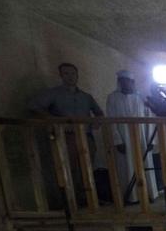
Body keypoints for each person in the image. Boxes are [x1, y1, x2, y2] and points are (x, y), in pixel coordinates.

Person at [29, 62, 103, 205]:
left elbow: (98, 112)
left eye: (73, 73)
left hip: (86, 136)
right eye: (66, 74)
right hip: (66, 137)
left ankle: (87, 199)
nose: (70, 77)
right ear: (61, 76)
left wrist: (96, 123)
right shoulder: (54, 94)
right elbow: (33, 106)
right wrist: (53, 120)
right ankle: (70, 201)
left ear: (77, 75)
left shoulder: (86, 97)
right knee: (68, 168)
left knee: (87, 168)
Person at [105, 70, 158, 204]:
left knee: (145, 164)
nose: (126, 83)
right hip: (124, 137)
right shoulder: (112, 98)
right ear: (120, 82)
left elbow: (149, 118)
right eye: (123, 81)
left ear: (132, 82)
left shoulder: (140, 97)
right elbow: (111, 121)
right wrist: (117, 140)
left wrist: (151, 139)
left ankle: (149, 194)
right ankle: (132, 196)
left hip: (142, 137)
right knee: (127, 166)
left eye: (128, 81)